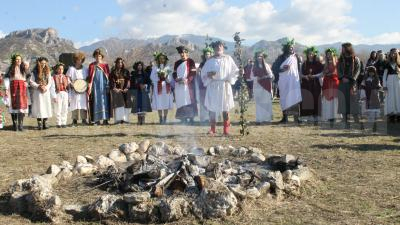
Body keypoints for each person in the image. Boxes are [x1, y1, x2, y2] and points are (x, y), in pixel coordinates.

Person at [201, 41, 239, 135]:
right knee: (212, 109)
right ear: (213, 48)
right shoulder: (210, 60)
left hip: (224, 85)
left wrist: (239, 72)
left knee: (225, 109)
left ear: (223, 47)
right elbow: (203, 74)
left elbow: (235, 70)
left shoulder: (228, 59)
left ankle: (226, 130)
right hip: (213, 86)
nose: (218, 47)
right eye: (216, 46)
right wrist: (208, 75)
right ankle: (212, 129)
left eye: (220, 46)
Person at [272, 38, 302, 124]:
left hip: (294, 81)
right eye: (289, 47)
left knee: (295, 98)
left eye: (292, 47)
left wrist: (300, 79)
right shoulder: (281, 57)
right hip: (284, 81)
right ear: (286, 48)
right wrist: (282, 70)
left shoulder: (297, 57)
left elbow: (299, 69)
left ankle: (296, 118)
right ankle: (285, 118)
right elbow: (274, 68)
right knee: (285, 98)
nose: (291, 49)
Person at [337, 42, 361, 129]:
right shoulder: (340, 59)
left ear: (348, 48)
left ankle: (355, 118)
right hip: (342, 82)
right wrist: (342, 77)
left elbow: (358, 70)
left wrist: (351, 79)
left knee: (353, 101)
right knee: (343, 100)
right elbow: (338, 70)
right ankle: (345, 119)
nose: (342, 50)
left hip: (352, 83)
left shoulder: (355, 59)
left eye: (343, 48)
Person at [173, 46, 198, 124]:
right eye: (181, 53)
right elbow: (174, 73)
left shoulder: (191, 61)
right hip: (179, 85)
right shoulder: (177, 63)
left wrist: (187, 80)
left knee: (189, 100)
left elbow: (193, 73)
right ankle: (182, 118)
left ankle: (191, 118)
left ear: (187, 53)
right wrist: (176, 79)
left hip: (188, 85)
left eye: (183, 53)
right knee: (181, 100)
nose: (182, 54)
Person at [3, 54, 29, 131]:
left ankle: (20, 125)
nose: (18, 61)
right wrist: (7, 88)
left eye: (20, 59)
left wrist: (26, 82)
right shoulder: (10, 68)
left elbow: (29, 75)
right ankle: (15, 125)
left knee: (21, 107)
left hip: (22, 88)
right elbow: (6, 79)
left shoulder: (24, 68)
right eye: (17, 59)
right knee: (13, 107)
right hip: (12, 88)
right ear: (14, 60)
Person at [87, 48, 112, 125]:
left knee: (104, 102)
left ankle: (105, 119)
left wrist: (108, 86)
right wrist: (90, 87)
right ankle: (96, 120)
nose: (98, 57)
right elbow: (90, 77)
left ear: (102, 57)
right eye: (96, 56)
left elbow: (108, 76)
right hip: (95, 87)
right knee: (96, 102)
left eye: (99, 56)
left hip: (104, 87)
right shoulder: (91, 65)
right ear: (94, 56)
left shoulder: (105, 65)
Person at [30, 57, 56, 130]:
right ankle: (39, 123)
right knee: (39, 107)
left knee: (46, 106)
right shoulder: (34, 72)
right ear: (39, 63)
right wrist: (38, 86)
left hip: (46, 92)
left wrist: (46, 87)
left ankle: (45, 122)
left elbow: (50, 82)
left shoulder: (48, 72)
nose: (43, 65)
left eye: (44, 63)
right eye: (42, 63)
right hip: (38, 92)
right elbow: (31, 82)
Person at [300, 46, 324, 125]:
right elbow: (300, 74)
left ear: (314, 54)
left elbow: (322, 73)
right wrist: (305, 76)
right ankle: (306, 117)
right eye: (309, 54)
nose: (310, 55)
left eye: (312, 54)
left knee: (316, 99)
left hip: (315, 84)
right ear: (307, 55)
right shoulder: (304, 63)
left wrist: (314, 76)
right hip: (306, 84)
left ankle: (316, 117)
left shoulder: (318, 63)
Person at [150, 52, 174, 124]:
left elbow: (170, 78)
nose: (161, 60)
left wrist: (166, 77)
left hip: (166, 87)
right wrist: (159, 77)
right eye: (160, 58)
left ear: (165, 59)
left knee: (165, 102)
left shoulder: (168, 67)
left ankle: (165, 118)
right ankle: (160, 118)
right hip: (158, 86)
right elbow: (152, 77)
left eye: (163, 58)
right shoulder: (155, 67)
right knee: (159, 102)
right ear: (158, 59)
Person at [67, 52, 89, 126]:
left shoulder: (85, 69)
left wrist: (86, 85)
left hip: (83, 90)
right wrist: (71, 84)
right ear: (75, 60)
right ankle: (74, 120)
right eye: (77, 59)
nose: (79, 61)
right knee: (74, 104)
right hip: (74, 90)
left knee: (83, 104)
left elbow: (88, 79)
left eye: (80, 59)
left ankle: (84, 120)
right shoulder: (71, 69)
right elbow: (67, 78)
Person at [252, 50, 274, 124]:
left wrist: (265, 76)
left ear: (263, 57)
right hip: (258, 86)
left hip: (266, 86)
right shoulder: (254, 66)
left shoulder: (266, 65)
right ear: (256, 58)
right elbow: (251, 77)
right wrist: (257, 78)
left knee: (266, 102)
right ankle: (259, 119)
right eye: (258, 56)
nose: (259, 58)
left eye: (261, 56)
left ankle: (267, 119)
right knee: (259, 103)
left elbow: (271, 75)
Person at [321, 48, 340, 127]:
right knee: (327, 99)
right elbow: (323, 72)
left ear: (333, 54)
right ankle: (329, 116)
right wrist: (325, 72)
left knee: (334, 99)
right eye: (327, 54)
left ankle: (334, 116)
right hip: (327, 82)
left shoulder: (337, 63)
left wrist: (332, 74)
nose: (329, 55)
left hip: (334, 82)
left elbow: (338, 72)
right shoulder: (325, 63)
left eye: (330, 54)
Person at [110, 57, 131, 124]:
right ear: (116, 63)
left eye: (121, 62)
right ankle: (118, 120)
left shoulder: (126, 71)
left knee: (125, 105)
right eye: (118, 62)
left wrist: (127, 88)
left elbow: (128, 81)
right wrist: (115, 88)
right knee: (118, 105)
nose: (120, 64)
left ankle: (125, 120)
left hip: (124, 91)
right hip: (117, 91)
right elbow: (111, 81)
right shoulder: (113, 72)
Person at [360, 66, 381, 132]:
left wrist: (377, 89)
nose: (371, 74)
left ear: (374, 73)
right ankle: (370, 119)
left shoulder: (377, 79)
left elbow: (379, 86)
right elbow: (362, 87)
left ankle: (374, 120)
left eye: (372, 72)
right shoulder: (365, 79)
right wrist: (362, 95)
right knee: (369, 107)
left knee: (374, 107)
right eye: (370, 72)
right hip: (368, 94)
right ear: (368, 73)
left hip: (374, 95)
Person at [382, 48, 400, 123]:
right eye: (392, 53)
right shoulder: (387, 63)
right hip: (389, 81)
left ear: (397, 54)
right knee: (390, 98)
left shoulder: (399, 63)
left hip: (398, 81)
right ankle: (391, 115)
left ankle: (398, 115)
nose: (393, 54)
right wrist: (384, 85)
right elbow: (384, 75)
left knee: (398, 98)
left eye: (395, 53)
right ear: (390, 54)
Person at [197, 46, 213, 123]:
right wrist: (199, 70)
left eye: (209, 54)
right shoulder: (202, 63)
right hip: (203, 84)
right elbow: (199, 71)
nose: (207, 55)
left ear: (211, 54)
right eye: (206, 54)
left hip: (211, 84)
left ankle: (212, 117)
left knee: (211, 101)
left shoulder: (213, 62)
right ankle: (204, 118)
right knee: (203, 101)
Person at [53, 63, 70, 128]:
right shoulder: (54, 77)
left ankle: (64, 122)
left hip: (65, 93)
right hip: (57, 93)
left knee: (65, 108)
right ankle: (58, 123)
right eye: (59, 69)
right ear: (57, 69)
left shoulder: (66, 77)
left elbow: (69, 85)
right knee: (58, 108)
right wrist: (54, 96)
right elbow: (52, 87)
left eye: (62, 69)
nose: (61, 70)